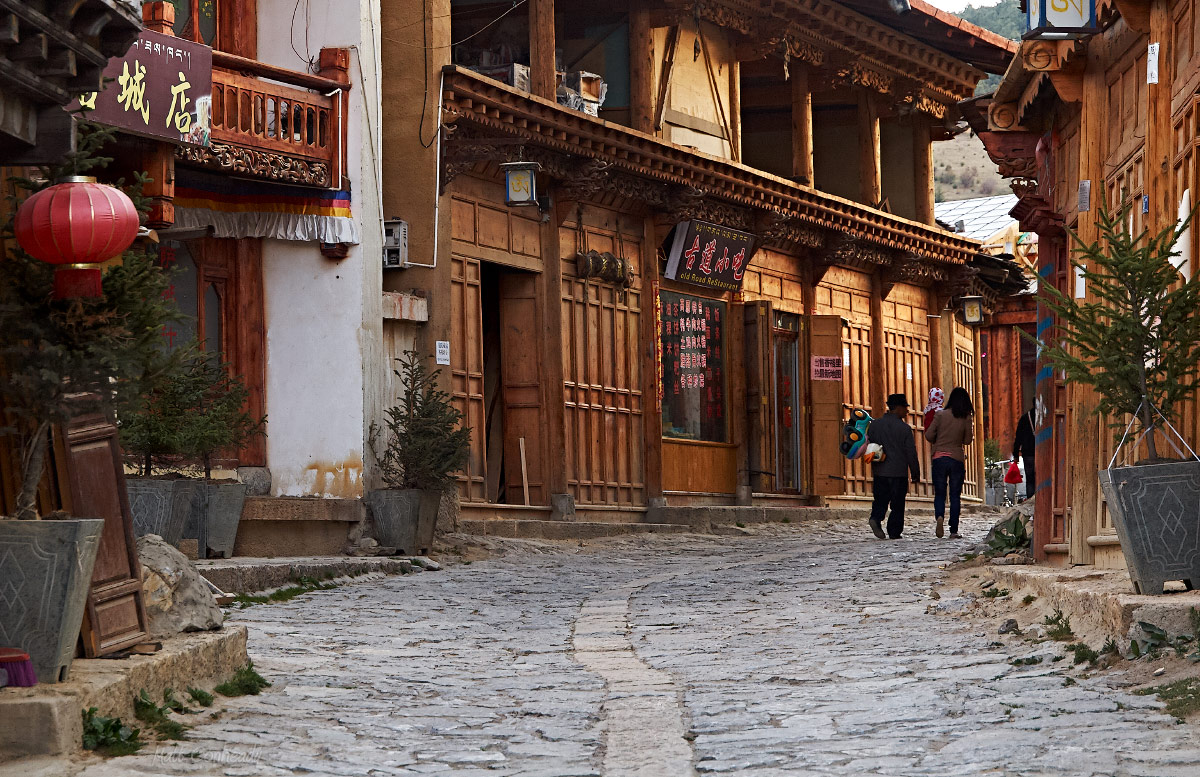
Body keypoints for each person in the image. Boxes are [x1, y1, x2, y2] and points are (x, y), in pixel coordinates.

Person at [866, 394, 921, 540]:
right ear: (897, 408)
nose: (907, 411)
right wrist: (915, 472)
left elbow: (869, 446)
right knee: (897, 504)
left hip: (880, 470)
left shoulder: (875, 425)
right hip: (898, 472)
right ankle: (894, 531)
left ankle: (876, 518)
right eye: (905, 408)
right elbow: (911, 452)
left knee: (880, 499)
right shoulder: (904, 429)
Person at [924, 387, 975, 539]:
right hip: (956, 459)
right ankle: (953, 530)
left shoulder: (940, 414)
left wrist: (939, 439)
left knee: (939, 493)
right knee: (955, 495)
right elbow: (967, 440)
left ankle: (939, 516)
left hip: (939, 458)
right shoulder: (966, 418)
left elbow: (928, 435)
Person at [1013, 406, 1036, 501]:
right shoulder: (1046, 416)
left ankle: (1031, 501)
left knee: (1030, 480)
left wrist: (1015, 455)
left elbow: (1018, 437)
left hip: (1028, 453)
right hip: (1041, 452)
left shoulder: (1025, 418)